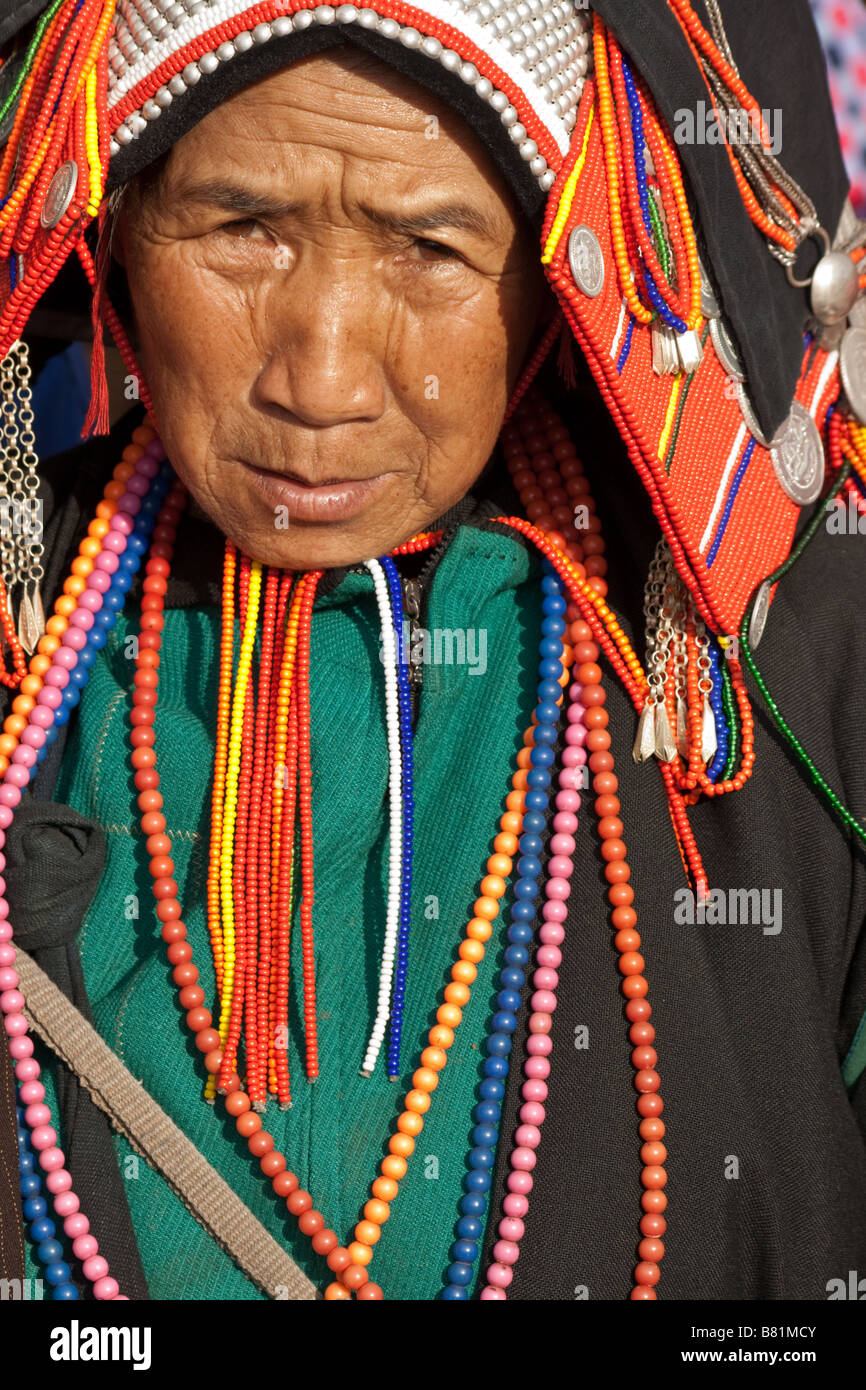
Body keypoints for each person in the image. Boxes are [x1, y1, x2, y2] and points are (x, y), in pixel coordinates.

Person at [1, 0, 865, 1303]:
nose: (326, 377)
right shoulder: (35, 652)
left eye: (428, 246)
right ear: (112, 226)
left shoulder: (787, 671)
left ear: (562, 277)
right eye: (243, 229)